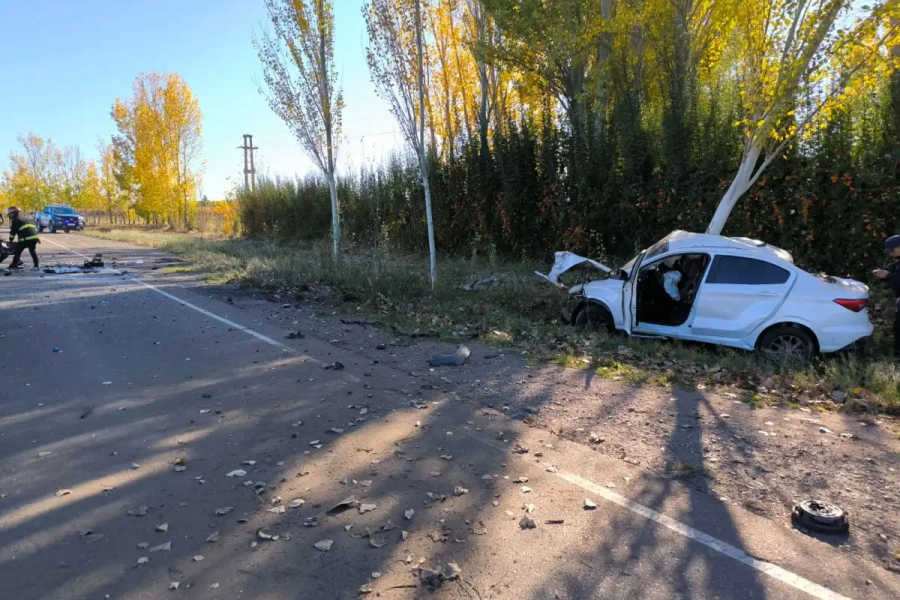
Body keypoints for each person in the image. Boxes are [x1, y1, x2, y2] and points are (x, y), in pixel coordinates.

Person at [874, 234, 900, 357]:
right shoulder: (897, 262)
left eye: (892, 250)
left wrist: (888, 276)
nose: (890, 253)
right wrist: (884, 276)